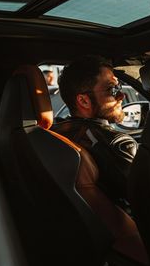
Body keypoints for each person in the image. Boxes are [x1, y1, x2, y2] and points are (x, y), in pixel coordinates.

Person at [58, 55, 138, 203]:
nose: (122, 95)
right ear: (83, 101)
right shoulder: (117, 144)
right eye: (112, 90)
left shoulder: (56, 132)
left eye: (118, 87)